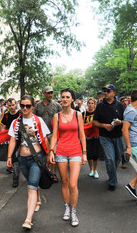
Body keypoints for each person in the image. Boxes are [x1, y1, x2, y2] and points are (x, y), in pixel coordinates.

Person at [7, 95, 50, 230]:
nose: (24, 108)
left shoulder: (38, 121)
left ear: (32, 107)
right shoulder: (16, 122)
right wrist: (9, 157)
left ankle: (28, 219)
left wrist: (48, 155)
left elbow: (44, 138)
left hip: (36, 158)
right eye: (22, 105)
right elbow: (13, 140)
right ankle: (37, 198)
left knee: (30, 188)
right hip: (22, 159)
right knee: (32, 183)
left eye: (27, 106)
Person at [49, 89, 87, 227]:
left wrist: (84, 153)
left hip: (76, 151)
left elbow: (82, 135)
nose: (64, 99)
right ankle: (67, 207)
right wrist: (51, 151)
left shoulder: (78, 115)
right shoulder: (57, 116)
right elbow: (54, 136)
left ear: (72, 100)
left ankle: (74, 211)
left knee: (73, 184)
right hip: (61, 151)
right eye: (63, 97)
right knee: (64, 182)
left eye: (67, 97)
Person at [93, 84, 125, 191]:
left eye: (108, 91)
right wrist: (104, 125)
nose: (105, 92)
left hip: (118, 136)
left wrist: (120, 122)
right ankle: (112, 182)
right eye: (104, 91)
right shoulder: (100, 106)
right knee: (110, 159)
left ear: (114, 93)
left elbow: (126, 122)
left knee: (118, 158)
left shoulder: (120, 106)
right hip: (105, 137)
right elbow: (94, 122)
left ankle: (111, 172)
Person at [34, 86, 62, 182]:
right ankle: (45, 172)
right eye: (48, 93)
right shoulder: (38, 106)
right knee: (43, 154)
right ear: (44, 94)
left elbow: (62, 117)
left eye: (51, 93)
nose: (50, 95)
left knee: (53, 153)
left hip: (53, 134)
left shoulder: (57, 105)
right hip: (41, 134)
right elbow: (34, 118)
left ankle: (53, 173)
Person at [0, 98, 21, 187]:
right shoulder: (6, 115)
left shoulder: (20, 114)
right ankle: (15, 178)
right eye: (9, 105)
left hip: (22, 139)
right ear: (7, 106)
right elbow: (3, 126)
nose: (11, 107)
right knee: (14, 158)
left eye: (13, 105)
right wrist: (1, 137)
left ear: (15, 105)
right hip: (11, 140)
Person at [84, 98, 100, 179]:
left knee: (95, 154)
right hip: (87, 136)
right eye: (89, 103)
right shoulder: (84, 114)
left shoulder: (97, 113)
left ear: (94, 104)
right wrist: (89, 124)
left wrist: (90, 123)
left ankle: (95, 169)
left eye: (92, 103)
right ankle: (91, 169)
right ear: (87, 104)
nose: (90, 105)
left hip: (96, 135)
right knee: (89, 154)